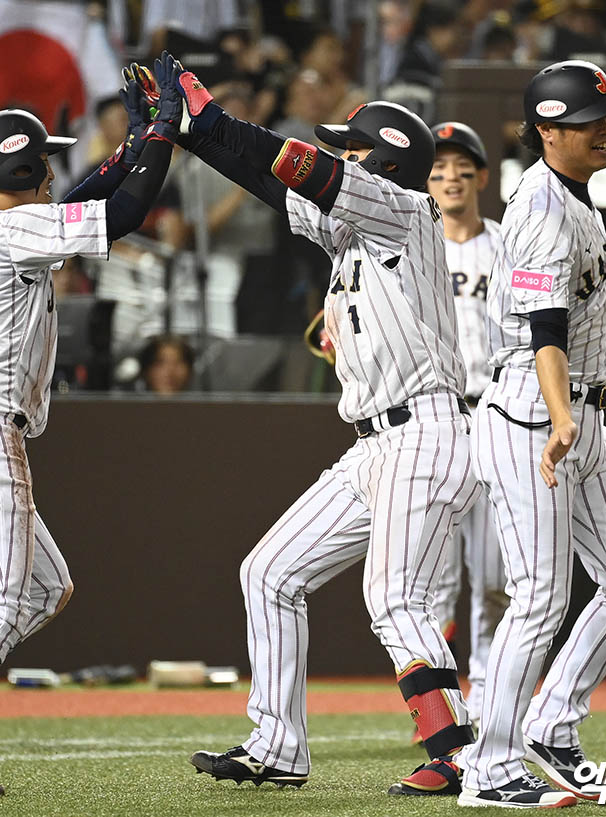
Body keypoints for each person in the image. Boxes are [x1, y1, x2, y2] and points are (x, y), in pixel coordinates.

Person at [163, 57, 482, 797]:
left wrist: (215, 120)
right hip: (376, 444)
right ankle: (278, 743)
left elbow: (302, 168)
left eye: (354, 144)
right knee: (269, 572)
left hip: (424, 433)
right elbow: (274, 185)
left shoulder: (404, 211)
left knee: (395, 599)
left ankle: (457, 753)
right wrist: (191, 137)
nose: (341, 151)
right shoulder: (350, 234)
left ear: (386, 159)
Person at [0, 55, 184, 798]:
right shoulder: (6, 231)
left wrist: (132, 145)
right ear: (14, 170)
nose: (50, 172)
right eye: (41, 161)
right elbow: (121, 215)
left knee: (44, 590)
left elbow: (79, 204)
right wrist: (166, 132)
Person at [454, 60, 606, 809]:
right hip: (535, 419)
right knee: (541, 594)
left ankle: (552, 720)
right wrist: (563, 415)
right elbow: (544, 330)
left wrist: (580, 418)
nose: (605, 127)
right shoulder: (542, 207)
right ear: (547, 130)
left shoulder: (575, 194)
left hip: (581, 416)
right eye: (587, 121)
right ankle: (489, 767)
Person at [426, 121, 508, 728]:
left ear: (481, 176)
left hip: (495, 410)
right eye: (437, 168)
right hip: (435, 417)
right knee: (431, 578)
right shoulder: (414, 240)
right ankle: (437, 703)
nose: (450, 177)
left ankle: (484, 695)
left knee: (496, 572)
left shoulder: (506, 244)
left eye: (461, 166)